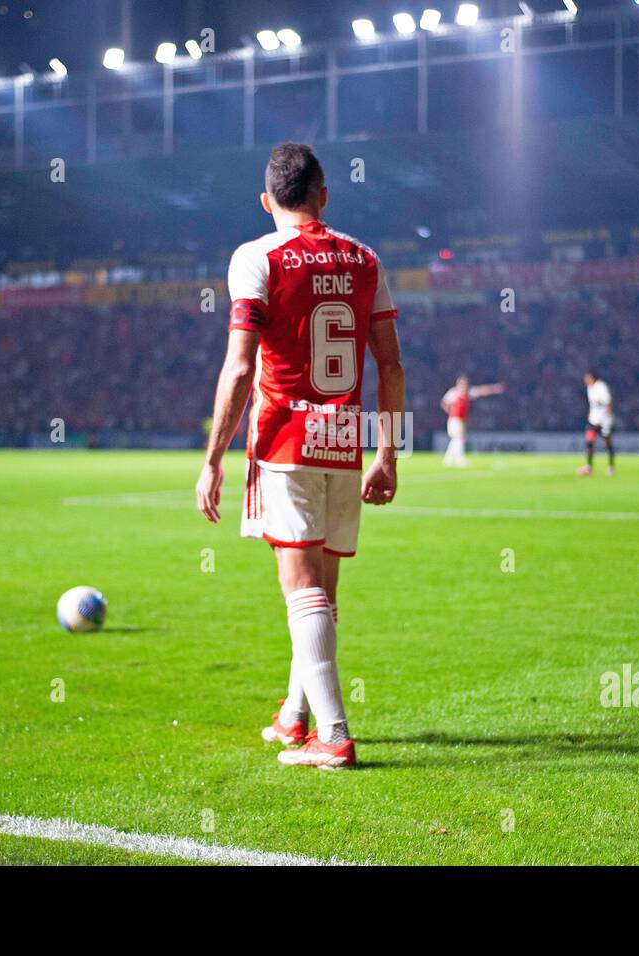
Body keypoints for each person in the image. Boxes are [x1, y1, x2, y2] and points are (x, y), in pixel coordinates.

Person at [195, 143, 405, 768]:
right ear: (324, 194)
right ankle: (296, 716)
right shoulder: (365, 259)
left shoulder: (256, 256)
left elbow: (238, 369)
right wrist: (388, 452)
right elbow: (390, 363)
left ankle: (334, 736)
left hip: (285, 437)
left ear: (267, 201)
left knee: (300, 587)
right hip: (342, 440)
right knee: (323, 588)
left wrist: (213, 457)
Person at [440, 376, 504, 467]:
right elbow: (443, 403)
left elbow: (482, 391)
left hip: (461, 420)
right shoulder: (453, 393)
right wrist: (449, 410)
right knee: (459, 438)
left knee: (456, 439)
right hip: (454, 419)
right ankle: (459, 459)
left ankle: (448, 459)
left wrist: (494, 389)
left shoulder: (468, 392)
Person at [577, 371, 615, 476]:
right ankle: (589, 467)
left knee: (607, 444)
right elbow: (593, 405)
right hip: (593, 419)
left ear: (592, 378)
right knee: (589, 441)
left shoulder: (601, 387)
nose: (585, 380)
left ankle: (611, 467)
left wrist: (604, 419)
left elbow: (608, 404)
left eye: (587, 378)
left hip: (604, 420)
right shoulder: (590, 388)